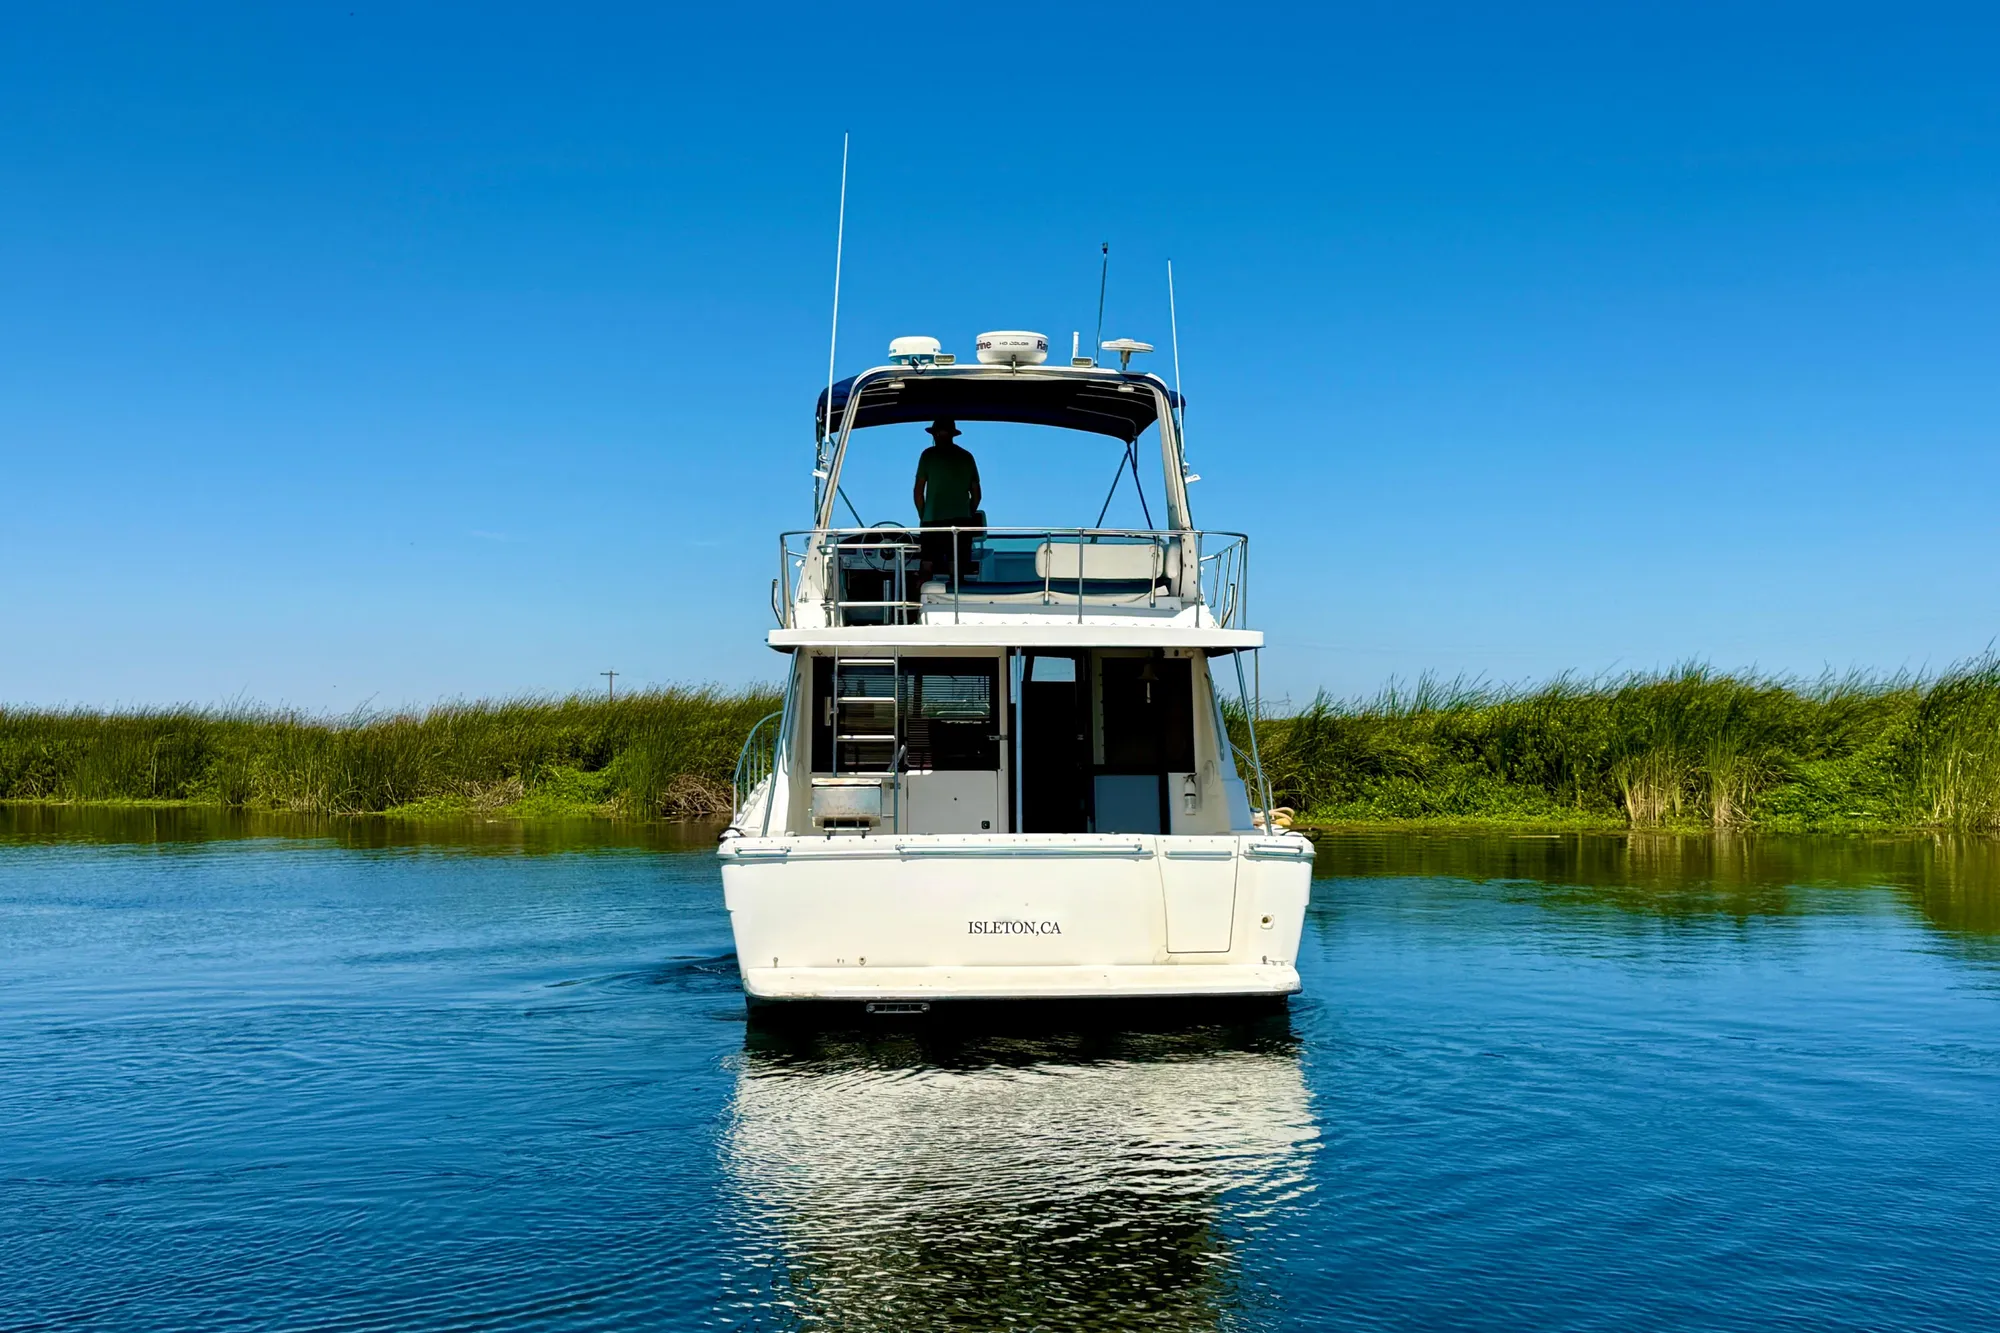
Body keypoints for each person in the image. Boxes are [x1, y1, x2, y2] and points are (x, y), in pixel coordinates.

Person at [912, 420, 982, 585]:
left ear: (935, 434)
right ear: (952, 435)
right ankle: (956, 607)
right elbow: (977, 495)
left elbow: (918, 493)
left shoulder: (928, 455)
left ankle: (916, 608)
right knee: (956, 570)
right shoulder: (966, 457)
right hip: (960, 521)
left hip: (932, 520)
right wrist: (967, 513)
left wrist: (924, 515)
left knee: (927, 566)